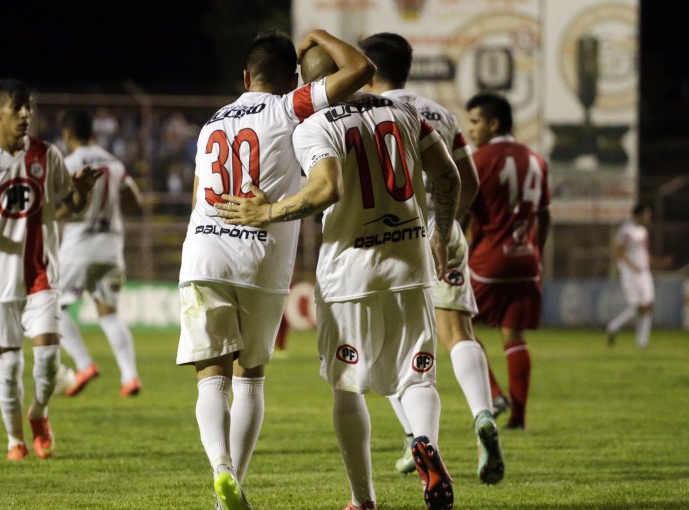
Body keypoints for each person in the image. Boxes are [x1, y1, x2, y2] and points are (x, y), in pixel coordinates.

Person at [217, 44, 461, 510]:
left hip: (350, 273)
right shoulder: (403, 112)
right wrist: (440, 234)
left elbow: (326, 188)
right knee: (418, 378)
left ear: (311, 86)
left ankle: (363, 500)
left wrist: (267, 211)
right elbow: (448, 177)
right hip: (411, 263)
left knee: (348, 385)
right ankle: (424, 442)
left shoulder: (313, 126)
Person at [177, 29, 374, 510]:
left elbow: (200, 191)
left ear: (245, 76)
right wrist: (321, 37)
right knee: (251, 373)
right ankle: (231, 491)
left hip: (204, 250)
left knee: (211, 374)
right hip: (260, 254)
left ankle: (221, 467)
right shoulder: (291, 107)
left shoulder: (210, 125)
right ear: (290, 79)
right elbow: (361, 70)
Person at [360, 32, 504, 484]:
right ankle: (483, 415)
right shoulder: (438, 112)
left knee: (384, 349)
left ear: (367, 66)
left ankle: (415, 438)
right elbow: (468, 180)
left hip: (389, 241)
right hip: (444, 233)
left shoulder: (365, 112)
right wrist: (445, 227)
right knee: (458, 331)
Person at [0, 79, 99, 462]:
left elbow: (71, 206)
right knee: (10, 367)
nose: (26, 114)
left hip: (40, 273)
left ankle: (39, 415)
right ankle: (15, 441)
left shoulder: (46, 154)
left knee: (46, 361)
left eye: (30, 107)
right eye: (18, 108)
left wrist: (83, 190)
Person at [465, 92, 551, 430]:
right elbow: (545, 216)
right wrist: (537, 254)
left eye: (474, 122)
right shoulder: (536, 159)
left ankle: (495, 393)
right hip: (526, 260)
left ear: (493, 123)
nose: (470, 130)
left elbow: (461, 211)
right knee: (513, 338)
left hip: (490, 262)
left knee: (453, 325)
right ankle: (518, 418)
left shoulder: (480, 160)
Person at [53, 109, 145, 398]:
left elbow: (59, 203)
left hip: (78, 246)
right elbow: (137, 200)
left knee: (52, 309)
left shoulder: (69, 163)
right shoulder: (114, 163)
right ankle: (130, 377)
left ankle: (83, 365)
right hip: (111, 247)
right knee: (109, 315)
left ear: (68, 133)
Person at [606, 203, 655, 348]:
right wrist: (632, 265)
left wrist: (657, 263)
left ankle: (642, 342)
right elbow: (618, 250)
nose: (648, 217)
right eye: (646, 214)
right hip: (630, 273)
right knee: (638, 306)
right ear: (638, 214)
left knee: (648, 305)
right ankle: (613, 327)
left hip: (644, 272)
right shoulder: (626, 230)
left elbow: (643, 253)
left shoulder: (643, 231)